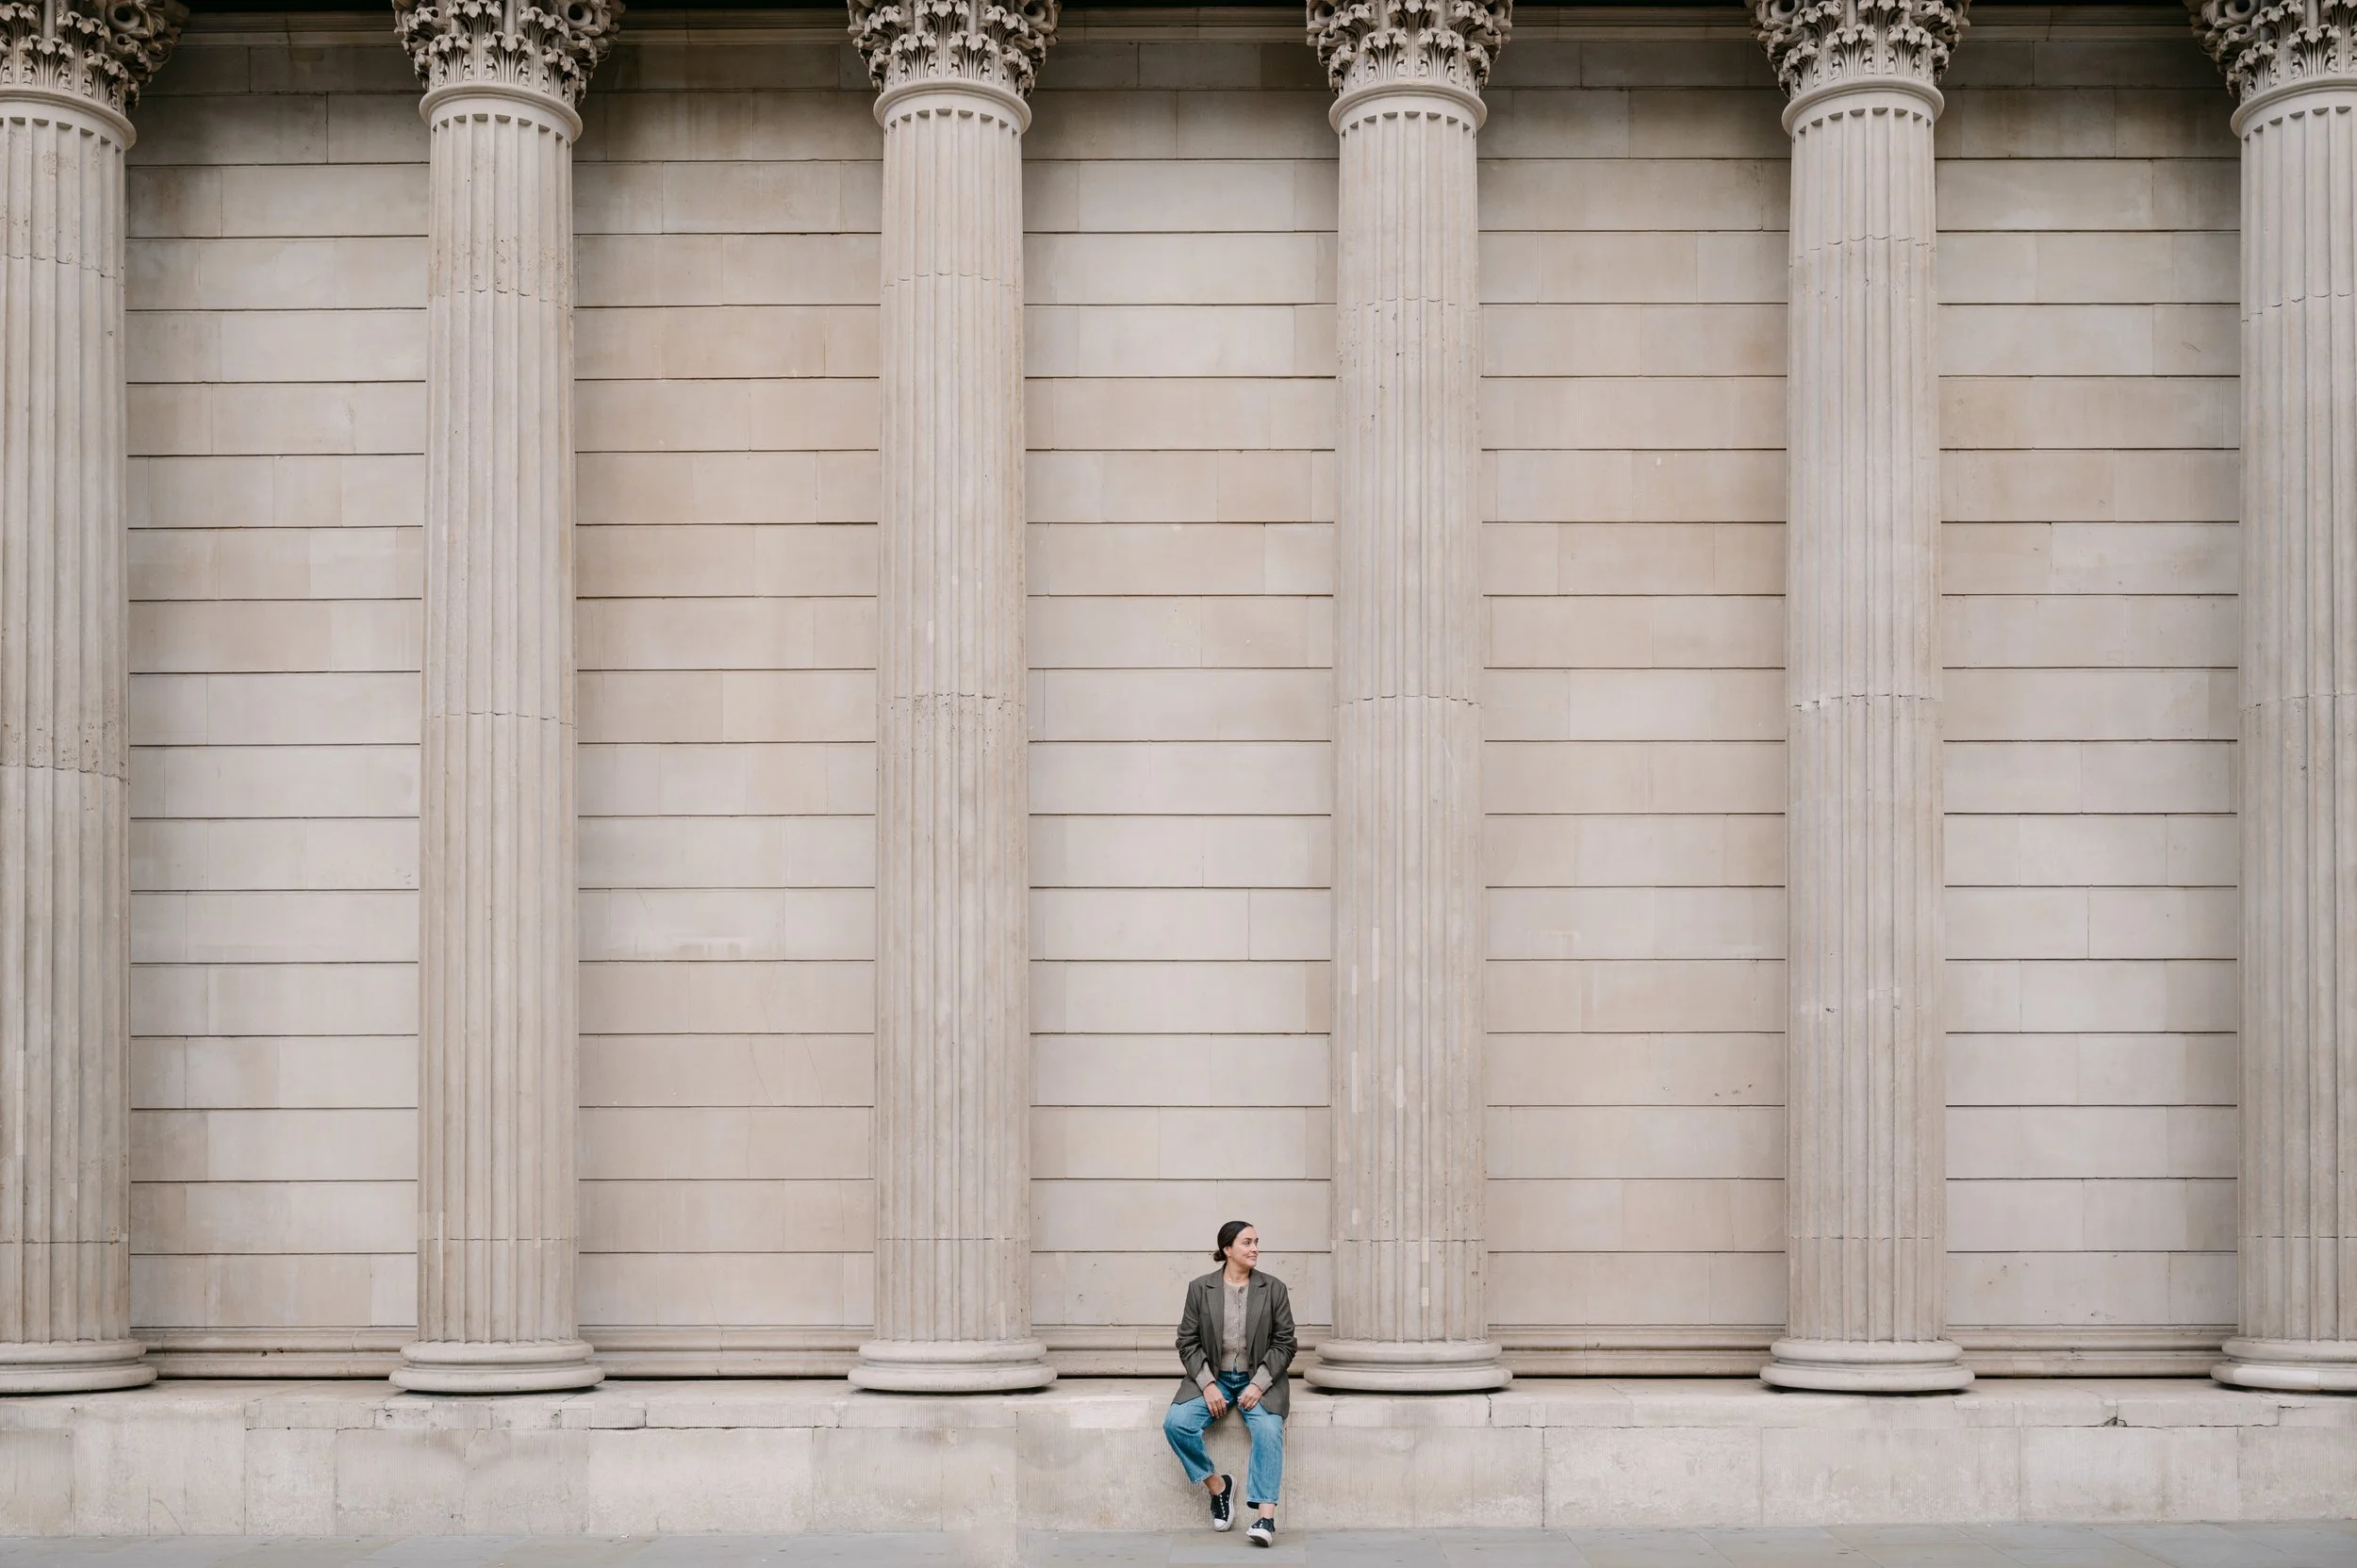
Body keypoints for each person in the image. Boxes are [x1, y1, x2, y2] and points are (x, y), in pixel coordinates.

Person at [1162, 1220, 1295, 1548]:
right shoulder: (1200, 1288)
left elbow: (1285, 1343)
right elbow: (1187, 1341)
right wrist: (1207, 1384)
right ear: (1227, 1249)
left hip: (1258, 1381)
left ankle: (1265, 1518)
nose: (1254, 1249)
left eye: (1256, 1242)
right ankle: (1219, 1487)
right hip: (1216, 1379)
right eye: (1247, 1243)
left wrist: (1260, 1384)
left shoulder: (1273, 1288)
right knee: (1176, 1424)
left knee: (1267, 1430)